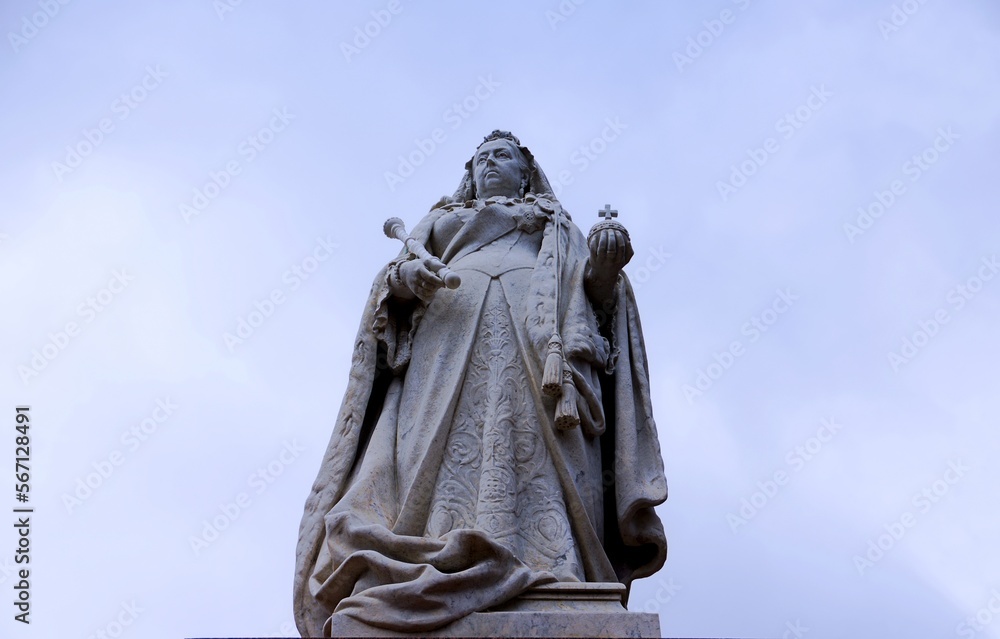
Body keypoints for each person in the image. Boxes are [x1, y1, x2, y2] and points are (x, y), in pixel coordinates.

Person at [294, 131, 667, 635]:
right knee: (431, 453)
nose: (491, 163)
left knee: (534, 450)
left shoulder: (556, 226)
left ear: (525, 170)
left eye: (503, 156)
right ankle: (436, 558)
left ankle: (553, 569)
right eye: (483, 158)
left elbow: (594, 297)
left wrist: (604, 262)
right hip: (444, 349)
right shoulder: (439, 223)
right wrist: (405, 282)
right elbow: (392, 289)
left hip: (538, 348)